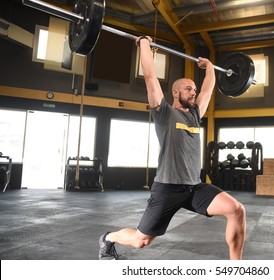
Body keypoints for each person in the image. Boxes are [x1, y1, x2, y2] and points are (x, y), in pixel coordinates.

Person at [99, 36, 246, 260]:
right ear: (176, 93)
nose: (193, 92)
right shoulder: (164, 113)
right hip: (167, 188)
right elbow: (150, 76)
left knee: (237, 210)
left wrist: (209, 68)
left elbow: (208, 89)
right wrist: (144, 44)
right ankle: (108, 238)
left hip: (194, 188)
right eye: (188, 89)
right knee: (141, 241)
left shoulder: (196, 116)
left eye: (193, 89)